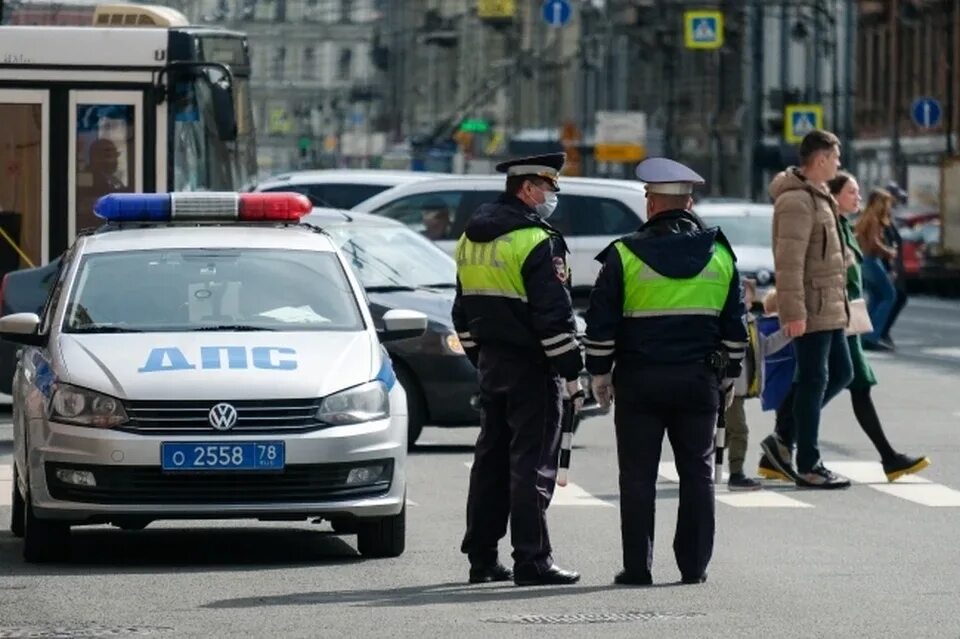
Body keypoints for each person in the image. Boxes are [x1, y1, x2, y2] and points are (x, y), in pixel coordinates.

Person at [584, 157, 747, 586]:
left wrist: (600, 375)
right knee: (698, 473)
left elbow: (601, 325)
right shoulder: (721, 254)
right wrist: (729, 374)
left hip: (639, 383)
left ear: (651, 204)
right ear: (688, 204)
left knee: (637, 476)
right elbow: (736, 325)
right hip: (699, 382)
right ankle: (693, 567)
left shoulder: (623, 255)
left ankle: (638, 568)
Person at [452, 153, 584, 587]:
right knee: (531, 466)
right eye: (548, 189)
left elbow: (462, 314)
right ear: (528, 189)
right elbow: (554, 317)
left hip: (493, 366)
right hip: (532, 368)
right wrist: (571, 373)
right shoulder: (536, 240)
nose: (552, 198)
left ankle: (482, 558)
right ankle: (533, 560)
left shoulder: (471, 238)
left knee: (491, 462)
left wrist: (483, 357)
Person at [759, 172, 930, 482]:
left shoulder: (843, 227)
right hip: (831, 314)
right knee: (840, 379)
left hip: (845, 314)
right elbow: (795, 264)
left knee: (831, 380)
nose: (858, 198)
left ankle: (782, 440)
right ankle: (788, 441)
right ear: (834, 196)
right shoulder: (826, 222)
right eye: (852, 191)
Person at [759, 129, 854, 489]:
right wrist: (793, 312)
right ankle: (809, 463)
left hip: (829, 304)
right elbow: (788, 262)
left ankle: (783, 437)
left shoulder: (819, 195)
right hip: (811, 307)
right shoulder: (796, 201)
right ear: (821, 159)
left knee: (841, 372)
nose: (839, 163)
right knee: (813, 380)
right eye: (835, 157)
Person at [724, 278, 793, 491]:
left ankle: (696, 461)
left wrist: (787, 334)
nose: (743, 300)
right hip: (729, 387)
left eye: (746, 296)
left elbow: (766, 347)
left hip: (740, 388)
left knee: (725, 432)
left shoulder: (751, 323)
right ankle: (736, 474)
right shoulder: (727, 321)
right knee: (739, 431)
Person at [854, 188, 899, 351]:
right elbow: (873, 243)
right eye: (886, 203)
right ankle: (871, 337)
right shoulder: (873, 219)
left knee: (875, 297)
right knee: (889, 295)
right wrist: (889, 252)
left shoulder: (865, 217)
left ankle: (864, 334)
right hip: (871, 260)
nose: (888, 207)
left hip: (865, 260)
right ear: (878, 202)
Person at [882, 181, 910, 345]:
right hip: (886, 265)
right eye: (894, 199)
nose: (897, 203)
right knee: (893, 297)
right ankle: (878, 332)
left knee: (896, 297)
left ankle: (882, 331)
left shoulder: (889, 217)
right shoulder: (880, 218)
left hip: (893, 266)